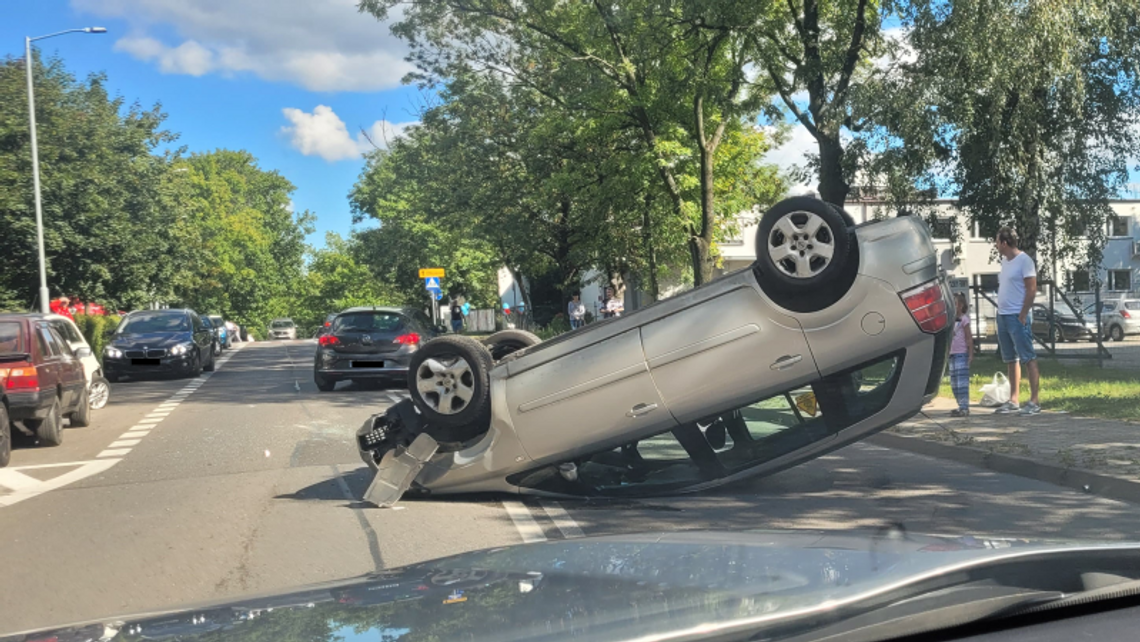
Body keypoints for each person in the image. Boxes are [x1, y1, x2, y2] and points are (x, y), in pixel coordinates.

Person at [993, 226, 1041, 415]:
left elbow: (1031, 289)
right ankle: (1014, 400)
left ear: (1004, 243)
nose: (996, 245)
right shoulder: (1005, 261)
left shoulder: (1024, 261)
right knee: (1011, 359)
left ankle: (1034, 401)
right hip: (1003, 315)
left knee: (1028, 357)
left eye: (997, 241)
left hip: (1017, 316)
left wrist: (1023, 314)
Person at [948, 293, 974, 417]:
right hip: (951, 355)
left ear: (961, 305)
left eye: (956, 303)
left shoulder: (964, 320)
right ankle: (960, 405)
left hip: (961, 354)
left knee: (961, 382)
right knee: (954, 383)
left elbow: (969, 337)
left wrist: (970, 353)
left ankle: (964, 407)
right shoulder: (949, 321)